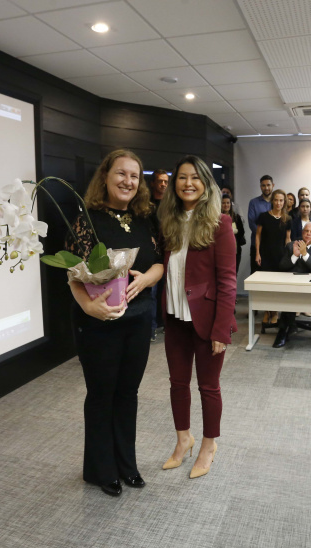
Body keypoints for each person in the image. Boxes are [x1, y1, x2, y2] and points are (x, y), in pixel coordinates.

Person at [65, 149, 164, 497]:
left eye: (134, 176)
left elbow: (160, 262)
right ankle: (100, 469)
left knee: (128, 393)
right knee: (101, 393)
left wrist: (146, 280)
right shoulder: (87, 219)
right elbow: (72, 272)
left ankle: (126, 464)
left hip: (139, 320)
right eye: (121, 173)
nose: (128, 181)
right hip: (98, 322)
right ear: (105, 177)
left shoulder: (145, 219)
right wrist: (88, 307)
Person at [158, 155, 236, 480]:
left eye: (195, 178)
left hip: (207, 319)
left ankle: (208, 445)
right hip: (175, 316)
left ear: (205, 184)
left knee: (208, 387)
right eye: (182, 177)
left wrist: (221, 329)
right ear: (174, 184)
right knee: (177, 383)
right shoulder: (169, 221)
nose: (188, 183)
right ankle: (183, 439)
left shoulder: (221, 223)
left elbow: (228, 281)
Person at [274, 222, 311, 348]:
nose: (308, 234)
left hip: (309, 287)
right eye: (306, 231)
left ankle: (284, 330)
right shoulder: (291, 245)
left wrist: (305, 254)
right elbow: (282, 266)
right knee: (290, 296)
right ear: (302, 233)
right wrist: (295, 255)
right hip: (291, 285)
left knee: (290, 300)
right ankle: (287, 328)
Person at [255, 189, 291, 324]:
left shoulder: (288, 219)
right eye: (276, 200)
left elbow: (288, 239)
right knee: (266, 285)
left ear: (284, 202)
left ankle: (275, 312)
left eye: (281, 200)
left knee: (276, 286)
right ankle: (267, 311)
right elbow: (258, 235)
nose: (278, 203)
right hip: (266, 255)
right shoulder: (264, 216)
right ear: (272, 201)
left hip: (280, 256)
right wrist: (257, 253)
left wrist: (289, 256)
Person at [149, 169, 170, 341]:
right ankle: (151, 328)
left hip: (169, 251)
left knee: (167, 289)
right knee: (152, 291)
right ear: (153, 183)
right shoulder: (146, 205)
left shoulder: (171, 205)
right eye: (160, 181)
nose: (163, 184)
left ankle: (165, 323)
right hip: (151, 254)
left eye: (165, 181)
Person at [247, 175, 274, 274]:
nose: (266, 188)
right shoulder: (253, 202)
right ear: (260, 187)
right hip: (257, 245)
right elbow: (252, 223)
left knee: (272, 275)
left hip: (272, 245)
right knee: (256, 274)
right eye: (263, 185)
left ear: (273, 185)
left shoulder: (277, 202)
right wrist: (265, 236)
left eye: (268, 185)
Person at [221, 194, 246, 275]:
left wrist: (231, 232)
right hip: (222, 252)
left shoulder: (236, 217)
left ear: (231, 204)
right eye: (223, 203)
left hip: (235, 251)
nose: (226, 205)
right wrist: (231, 231)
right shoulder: (217, 218)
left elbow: (241, 232)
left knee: (234, 274)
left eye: (228, 203)